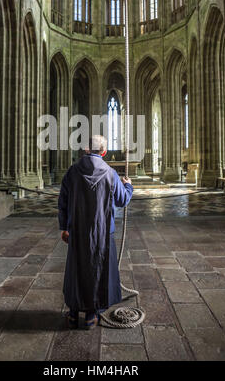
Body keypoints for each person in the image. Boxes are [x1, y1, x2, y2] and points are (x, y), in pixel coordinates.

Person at [58, 135, 133, 330]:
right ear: (104, 152)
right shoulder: (110, 173)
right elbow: (122, 200)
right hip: (103, 232)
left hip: (77, 231)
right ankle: (92, 315)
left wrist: (64, 228)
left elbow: (63, 202)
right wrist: (128, 185)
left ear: (86, 149)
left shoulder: (73, 172)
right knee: (97, 270)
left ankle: (73, 314)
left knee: (77, 269)